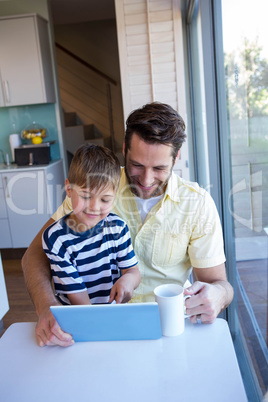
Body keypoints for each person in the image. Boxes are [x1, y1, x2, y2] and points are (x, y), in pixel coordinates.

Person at [22, 102, 234, 347]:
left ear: (176, 158)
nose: (146, 179)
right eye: (137, 165)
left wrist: (219, 295)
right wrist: (46, 308)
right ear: (125, 149)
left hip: (167, 330)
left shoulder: (197, 204)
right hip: (99, 329)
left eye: (159, 168)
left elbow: (219, 284)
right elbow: (33, 256)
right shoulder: (95, 187)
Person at [42, 144, 140, 307]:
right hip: (80, 314)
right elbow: (80, 300)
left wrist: (128, 281)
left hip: (111, 313)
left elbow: (132, 271)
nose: (94, 207)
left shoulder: (118, 228)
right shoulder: (56, 238)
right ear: (68, 189)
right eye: (86, 196)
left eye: (105, 200)